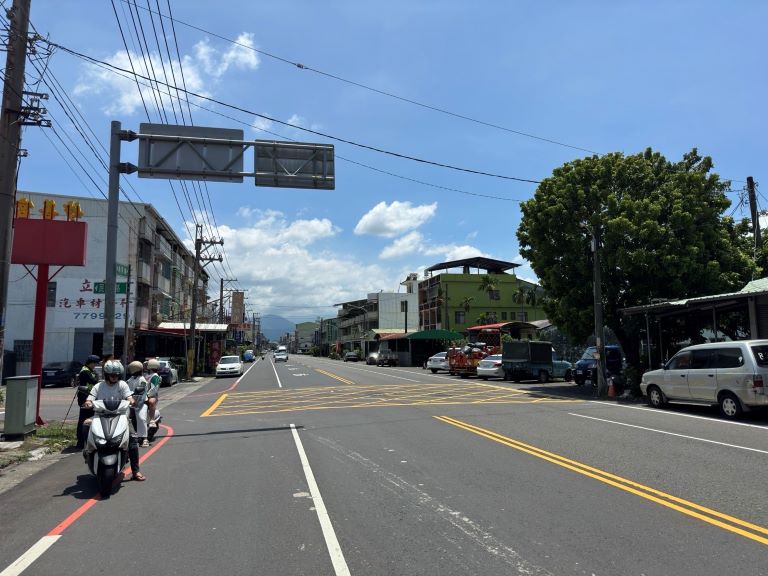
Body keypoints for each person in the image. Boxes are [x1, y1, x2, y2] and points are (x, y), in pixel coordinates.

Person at [84, 359, 146, 482]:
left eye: (117, 375)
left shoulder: (122, 385)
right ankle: (87, 450)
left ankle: (135, 471)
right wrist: (88, 403)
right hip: (100, 416)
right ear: (106, 374)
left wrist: (132, 401)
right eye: (112, 375)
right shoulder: (99, 386)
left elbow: (129, 396)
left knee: (133, 440)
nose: (114, 377)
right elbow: (90, 398)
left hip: (121, 417)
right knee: (85, 424)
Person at [75, 354, 101, 449]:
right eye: (95, 363)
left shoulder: (89, 370)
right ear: (91, 363)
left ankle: (89, 440)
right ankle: (81, 442)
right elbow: (94, 381)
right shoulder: (85, 371)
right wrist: (97, 377)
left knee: (91, 419)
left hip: (90, 398)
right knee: (83, 420)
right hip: (85, 399)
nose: (95, 365)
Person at [125, 361, 148, 446]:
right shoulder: (130, 379)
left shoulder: (142, 380)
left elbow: (142, 393)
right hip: (130, 402)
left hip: (140, 402)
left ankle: (145, 438)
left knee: (141, 418)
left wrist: (137, 404)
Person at [145, 358, 162, 447]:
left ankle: (152, 420)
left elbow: (154, 388)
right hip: (143, 397)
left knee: (151, 402)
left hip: (150, 397)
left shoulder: (155, 376)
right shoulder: (147, 375)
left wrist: (147, 395)